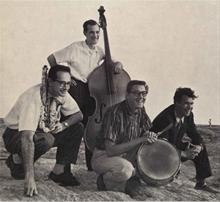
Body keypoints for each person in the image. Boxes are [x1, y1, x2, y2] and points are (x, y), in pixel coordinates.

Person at [47, 19, 123, 171]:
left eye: (97, 32)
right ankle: (65, 167)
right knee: (74, 125)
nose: (95, 35)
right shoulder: (75, 48)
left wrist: (118, 64)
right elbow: (52, 59)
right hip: (75, 88)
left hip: (91, 91)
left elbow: (112, 62)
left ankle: (91, 165)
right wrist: (67, 79)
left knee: (91, 127)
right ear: (85, 33)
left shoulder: (100, 51)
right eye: (91, 32)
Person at [3, 65, 84, 197]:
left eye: (68, 83)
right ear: (50, 81)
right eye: (62, 83)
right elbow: (26, 138)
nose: (66, 87)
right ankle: (16, 160)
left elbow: (79, 115)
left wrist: (64, 125)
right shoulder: (33, 97)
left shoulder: (62, 93)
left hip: (42, 130)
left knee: (76, 128)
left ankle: (59, 172)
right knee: (46, 140)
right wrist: (30, 177)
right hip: (16, 135)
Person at [91, 80, 158, 197]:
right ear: (127, 95)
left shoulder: (141, 109)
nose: (141, 97)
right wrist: (141, 139)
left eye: (144, 93)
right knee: (126, 170)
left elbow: (145, 131)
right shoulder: (114, 113)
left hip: (127, 155)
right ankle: (104, 180)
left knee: (151, 164)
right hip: (103, 156)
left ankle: (129, 183)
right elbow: (111, 150)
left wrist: (149, 136)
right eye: (136, 93)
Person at [150, 87, 218, 194]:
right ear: (176, 103)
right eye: (186, 103)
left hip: (173, 146)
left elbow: (194, 133)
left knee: (199, 146)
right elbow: (161, 147)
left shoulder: (188, 115)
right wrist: (184, 154)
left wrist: (199, 146)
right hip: (155, 154)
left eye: (191, 104)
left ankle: (201, 183)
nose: (189, 107)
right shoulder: (165, 119)